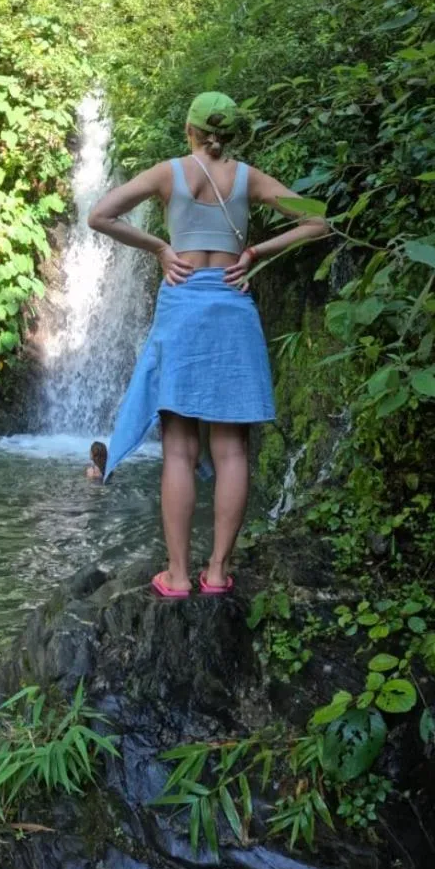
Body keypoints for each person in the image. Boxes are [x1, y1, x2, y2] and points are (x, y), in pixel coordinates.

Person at [87, 91, 328, 598]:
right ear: (232, 134)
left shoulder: (168, 173)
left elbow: (100, 215)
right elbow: (317, 221)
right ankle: (217, 572)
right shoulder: (248, 178)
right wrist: (255, 252)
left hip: (182, 305)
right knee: (232, 448)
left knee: (178, 448)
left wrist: (160, 247)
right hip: (232, 306)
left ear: (189, 130)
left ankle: (177, 575)